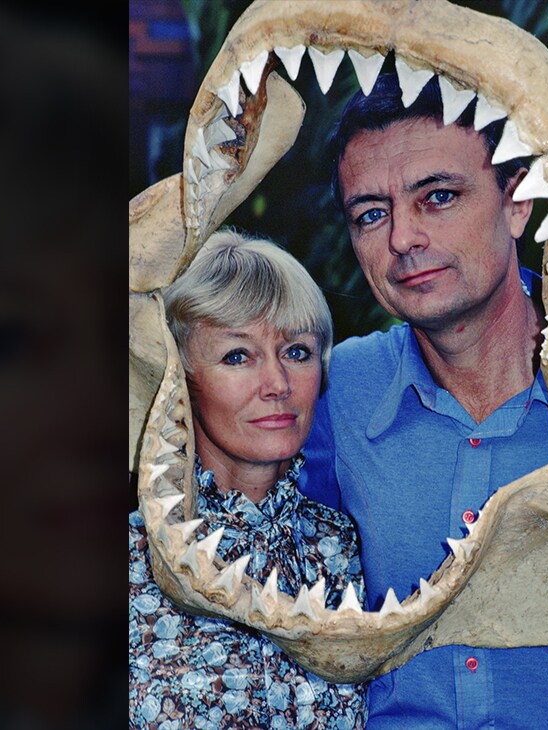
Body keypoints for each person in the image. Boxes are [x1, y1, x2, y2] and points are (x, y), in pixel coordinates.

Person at [301, 71, 548, 728]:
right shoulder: (331, 392)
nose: (402, 239)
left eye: (438, 197)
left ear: (517, 201)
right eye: (371, 213)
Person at [128, 231, 367, 730]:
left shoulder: (345, 549)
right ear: (181, 378)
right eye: (238, 355)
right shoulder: (127, 557)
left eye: (297, 352)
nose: (278, 384)